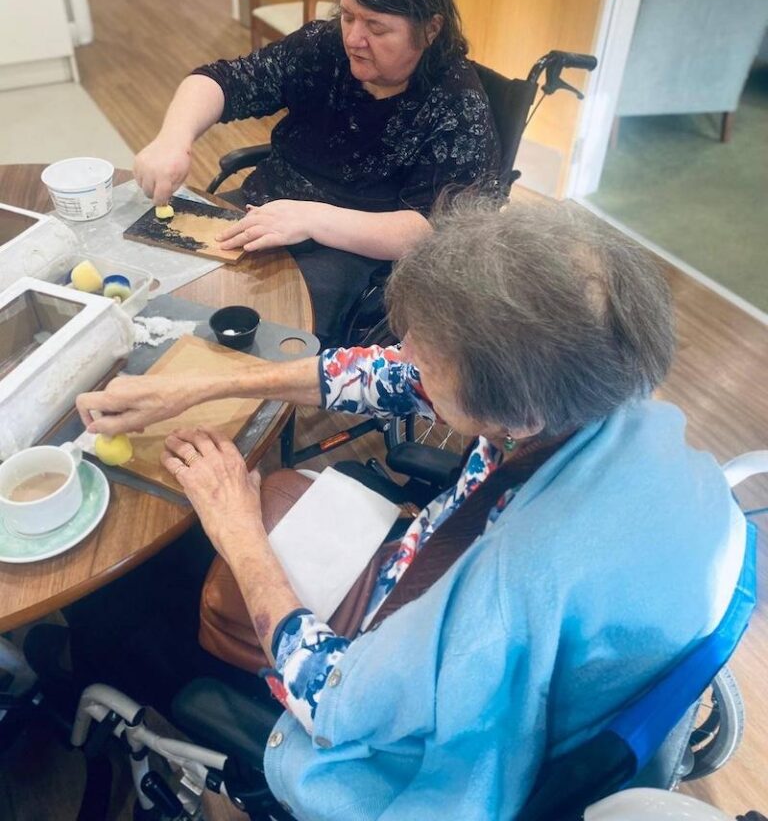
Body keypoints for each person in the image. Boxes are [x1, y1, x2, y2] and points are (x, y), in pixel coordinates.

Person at [76, 198, 745, 821]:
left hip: (396, 751)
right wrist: (205, 386)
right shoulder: (599, 391)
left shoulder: (510, 587)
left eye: (430, 363)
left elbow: (336, 700)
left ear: (515, 415)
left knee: (128, 609)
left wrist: (238, 530)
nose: (407, 361)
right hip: (482, 609)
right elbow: (391, 376)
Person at [134, 0, 499, 344]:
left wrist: (310, 218)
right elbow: (224, 80)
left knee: (250, 340)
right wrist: (173, 138)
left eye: (376, 27)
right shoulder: (325, 47)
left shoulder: (456, 104)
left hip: (351, 252)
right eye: (348, 16)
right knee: (154, 287)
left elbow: (433, 229)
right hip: (264, 211)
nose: (354, 39)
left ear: (430, 29)